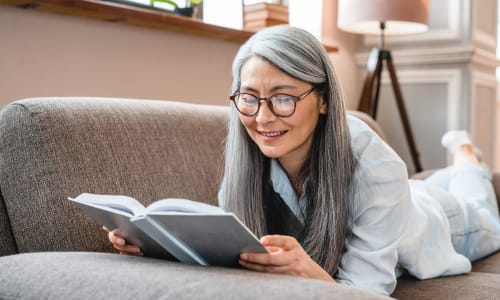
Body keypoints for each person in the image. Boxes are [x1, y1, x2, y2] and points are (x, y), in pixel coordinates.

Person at [105, 25, 500, 295]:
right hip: (404, 196)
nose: (261, 118)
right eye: (250, 98)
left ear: (324, 98)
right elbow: (229, 256)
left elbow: (366, 293)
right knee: (427, 184)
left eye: (283, 97)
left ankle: (465, 156)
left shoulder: (376, 168)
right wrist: (158, 245)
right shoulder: (248, 155)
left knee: (482, 205)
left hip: (439, 223)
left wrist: (310, 273)